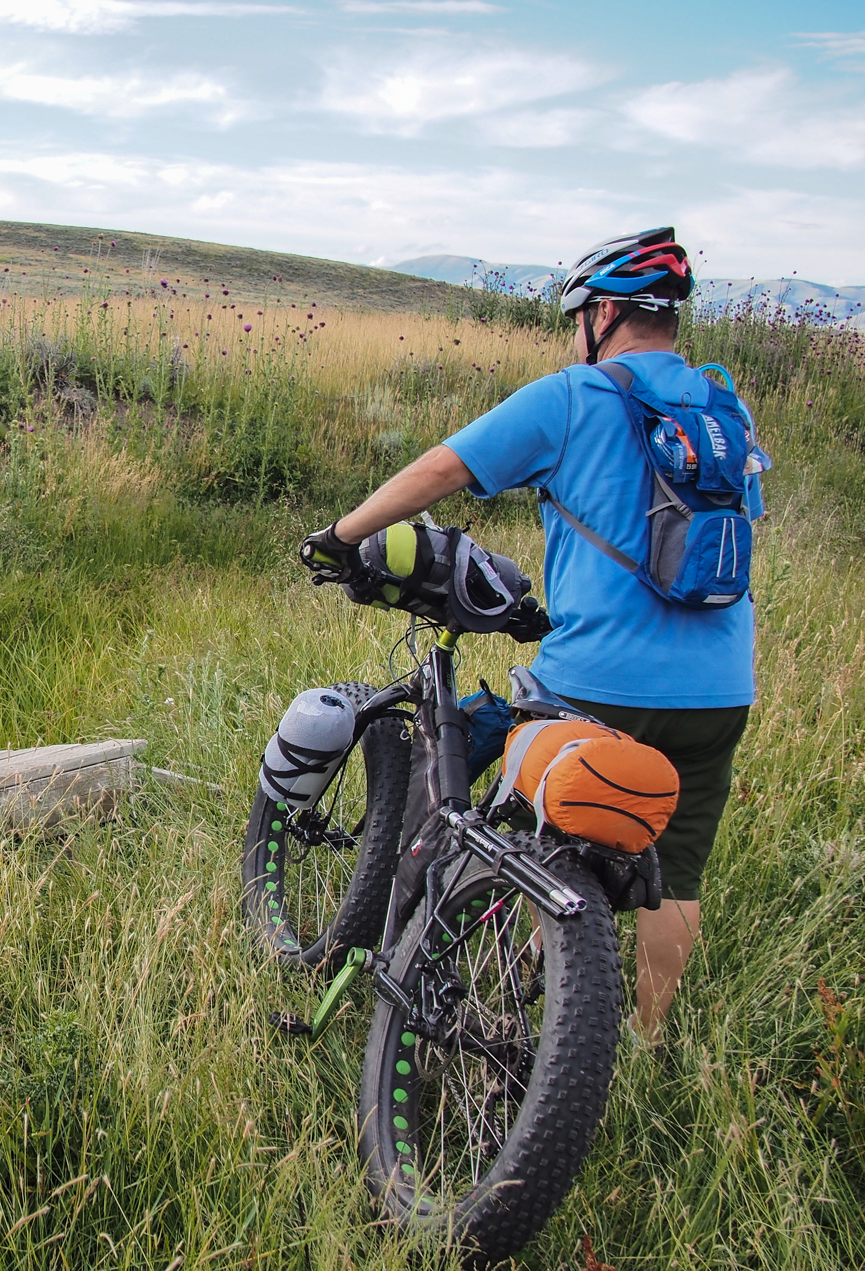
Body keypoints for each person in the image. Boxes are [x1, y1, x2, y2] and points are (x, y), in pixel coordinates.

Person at [303, 227, 752, 1047]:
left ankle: (517, 1009)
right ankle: (646, 1040)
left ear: (603, 315)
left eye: (578, 318)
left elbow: (442, 469)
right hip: (720, 690)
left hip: (594, 681)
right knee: (677, 872)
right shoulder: (726, 410)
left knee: (505, 792)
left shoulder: (573, 397)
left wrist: (341, 535)